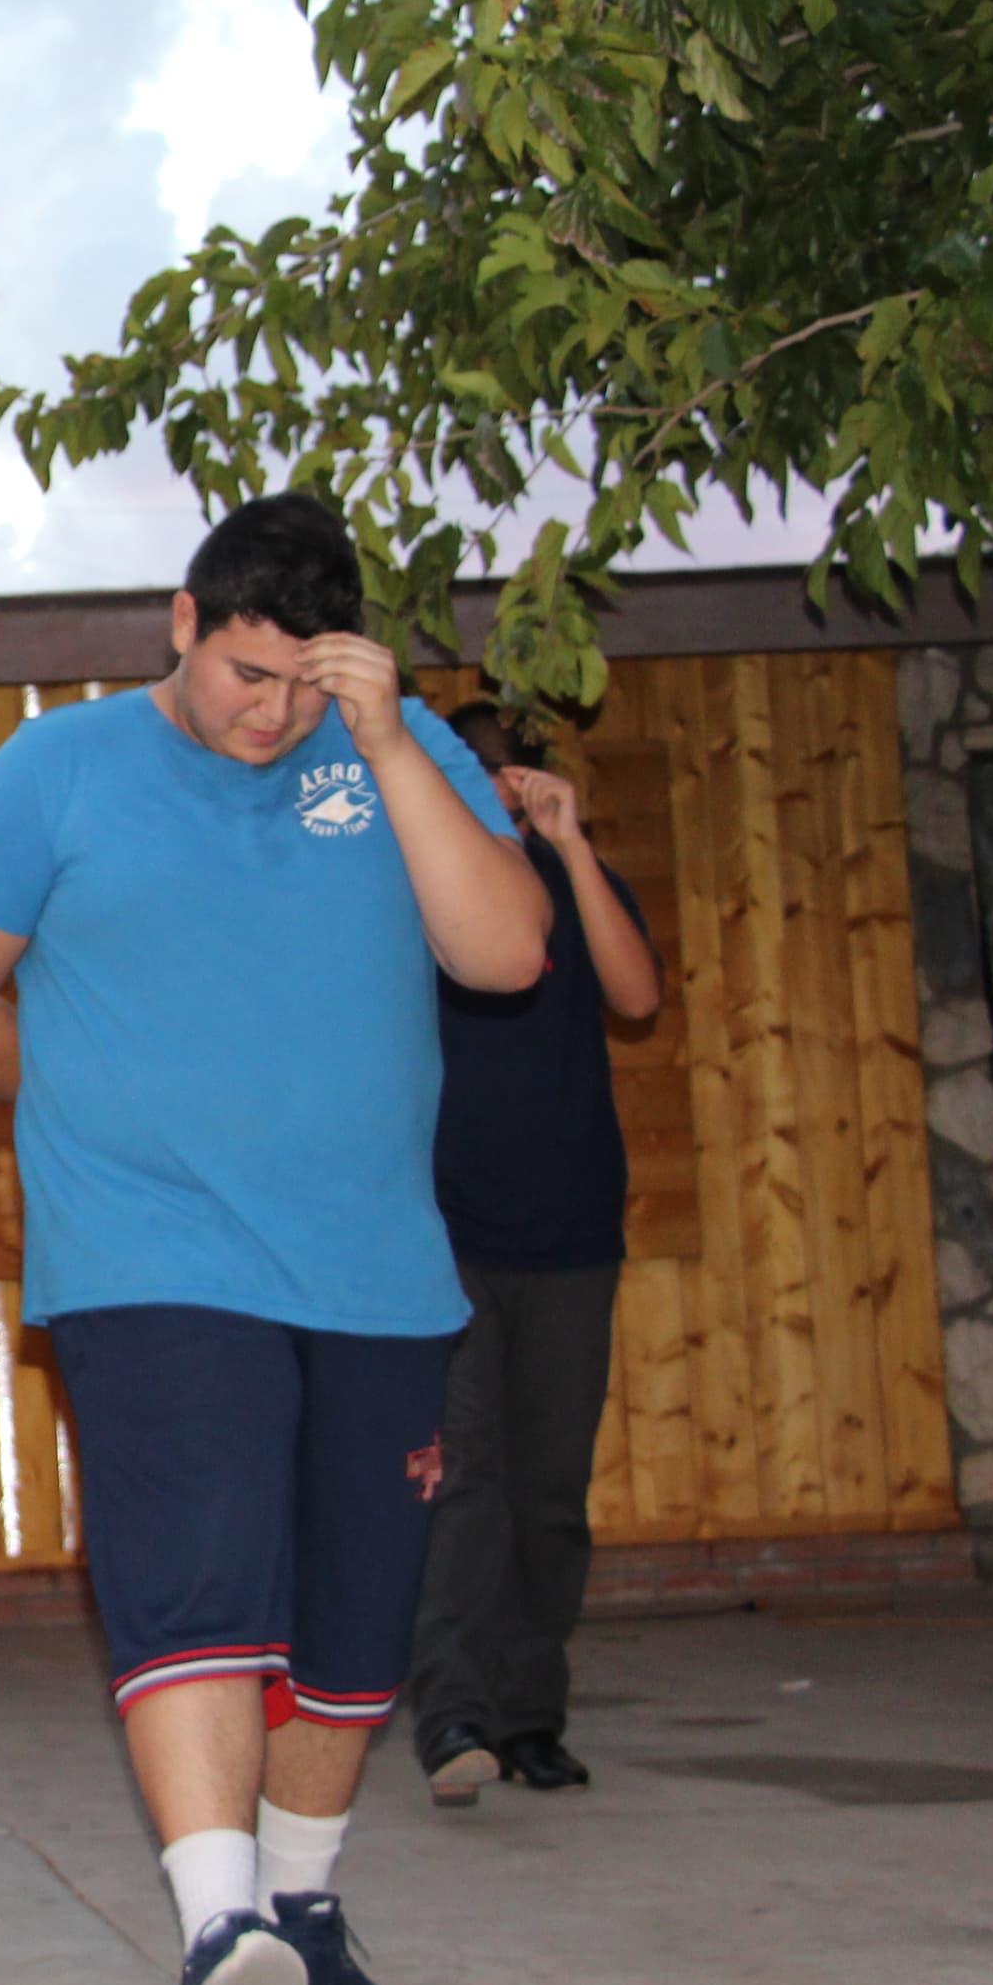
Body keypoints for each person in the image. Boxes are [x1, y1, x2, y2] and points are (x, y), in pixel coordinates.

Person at [0, 493, 545, 1985]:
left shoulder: (397, 751)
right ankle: (217, 1921)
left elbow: (509, 956)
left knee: (353, 1620)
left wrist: (386, 750)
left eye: (307, 681)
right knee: (193, 1582)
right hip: (151, 1255)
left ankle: (304, 1910)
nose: (272, 709)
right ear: (183, 623)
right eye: (248, 672)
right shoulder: (61, 768)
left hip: (376, 1268)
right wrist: (99, 1095)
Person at [408, 706, 665, 1809]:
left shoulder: (574, 880)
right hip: (446, 1237)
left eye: (507, 774)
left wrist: (573, 844)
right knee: (463, 1482)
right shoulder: (408, 891)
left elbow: (638, 997)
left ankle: (530, 1715)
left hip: (571, 1232)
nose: (494, 792)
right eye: (466, 773)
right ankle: (454, 1711)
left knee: (549, 1491)